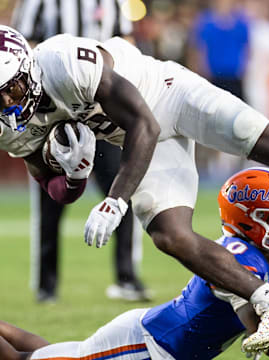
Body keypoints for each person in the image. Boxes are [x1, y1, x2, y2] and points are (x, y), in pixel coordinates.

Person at [0, 24, 269, 352]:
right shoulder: (8, 126)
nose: (7, 102)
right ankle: (268, 300)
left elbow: (145, 121)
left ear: (27, 67)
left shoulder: (62, 62)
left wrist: (115, 200)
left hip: (168, 96)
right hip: (136, 141)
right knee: (170, 236)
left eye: (10, 87)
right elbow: (52, 186)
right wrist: (75, 176)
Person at [0, 167, 269, 359]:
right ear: (251, 223)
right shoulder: (237, 259)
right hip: (145, 348)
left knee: (47, 354)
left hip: (160, 348)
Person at [10, 0, 150, 302]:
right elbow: (20, 49)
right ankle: (47, 284)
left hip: (99, 104)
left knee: (122, 187)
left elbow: (124, 40)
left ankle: (126, 276)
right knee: (49, 202)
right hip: (50, 109)